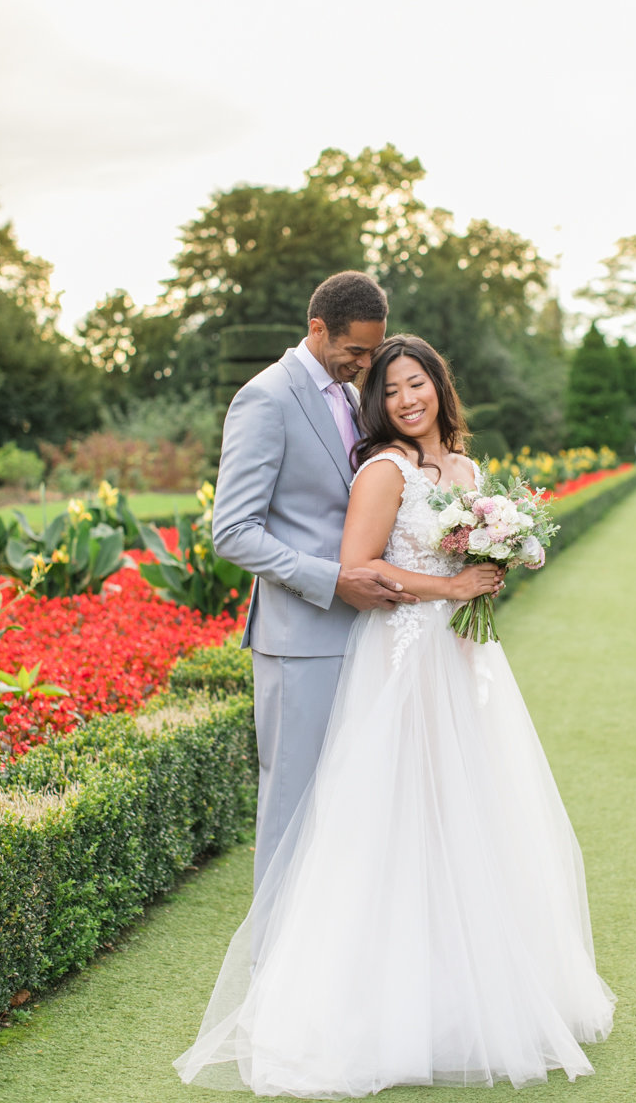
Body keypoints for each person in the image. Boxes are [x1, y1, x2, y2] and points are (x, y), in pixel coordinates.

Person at [176, 335, 615, 1096]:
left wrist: (493, 568)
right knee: (389, 814)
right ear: (378, 405)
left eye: (418, 384)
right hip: (402, 656)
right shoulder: (385, 470)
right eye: (392, 390)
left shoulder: (468, 471)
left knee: (468, 809)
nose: (407, 400)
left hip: (464, 662)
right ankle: (360, 1002)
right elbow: (360, 567)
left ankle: (469, 992)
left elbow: (462, 562)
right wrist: (451, 589)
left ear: (441, 387)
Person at [211, 271, 418, 890]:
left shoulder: (353, 396)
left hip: (368, 634)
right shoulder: (264, 398)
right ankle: (271, 975)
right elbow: (233, 531)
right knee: (293, 808)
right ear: (317, 327)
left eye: (371, 352)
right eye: (354, 350)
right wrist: (333, 581)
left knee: (356, 805)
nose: (364, 363)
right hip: (301, 639)